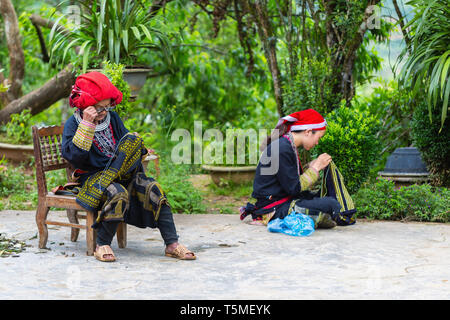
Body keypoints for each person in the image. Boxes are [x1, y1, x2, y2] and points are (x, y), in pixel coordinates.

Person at [62, 71, 195, 262]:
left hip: (123, 174)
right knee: (118, 192)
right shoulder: (73, 124)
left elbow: (123, 144)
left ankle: (172, 244)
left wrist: (135, 148)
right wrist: (87, 124)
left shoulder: (112, 119)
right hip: (93, 179)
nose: (104, 112)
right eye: (100, 108)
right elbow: (76, 158)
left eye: (107, 107)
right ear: (87, 106)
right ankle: (102, 244)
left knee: (153, 188)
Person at [240, 109, 355, 229]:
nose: (317, 143)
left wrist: (311, 166)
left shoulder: (286, 144)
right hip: (273, 207)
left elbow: (289, 178)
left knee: (322, 198)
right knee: (330, 204)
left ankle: (319, 216)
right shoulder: (282, 148)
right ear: (308, 132)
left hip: (282, 199)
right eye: (318, 137)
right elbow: (294, 188)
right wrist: (315, 168)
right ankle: (318, 215)